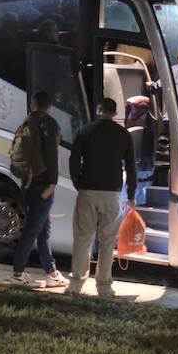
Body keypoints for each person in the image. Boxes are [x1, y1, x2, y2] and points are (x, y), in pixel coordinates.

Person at [68, 98, 136, 297]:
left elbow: (74, 160)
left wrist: (77, 182)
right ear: (115, 113)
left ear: (99, 110)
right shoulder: (124, 135)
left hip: (87, 191)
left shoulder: (85, 131)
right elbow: (131, 167)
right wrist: (131, 194)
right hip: (112, 193)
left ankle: (76, 284)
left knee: (82, 238)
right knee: (107, 240)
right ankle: (104, 286)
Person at [10, 91, 69, 287]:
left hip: (26, 183)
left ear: (32, 106)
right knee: (33, 230)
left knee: (43, 229)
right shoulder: (49, 124)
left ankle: (51, 272)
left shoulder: (25, 123)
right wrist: (52, 182)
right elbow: (51, 155)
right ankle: (17, 273)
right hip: (42, 185)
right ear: (49, 107)